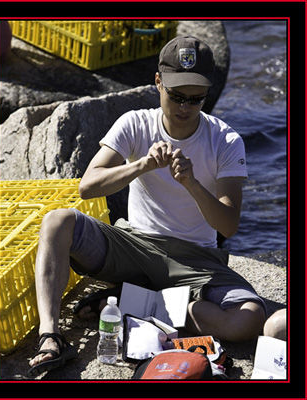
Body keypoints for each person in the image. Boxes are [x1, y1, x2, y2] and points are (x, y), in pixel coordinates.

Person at [28, 36, 266, 377]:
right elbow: (87, 187)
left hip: (194, 259)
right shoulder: (136, 122)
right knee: (57, 221)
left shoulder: (225, 140)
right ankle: (50, 336)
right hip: (134, 245)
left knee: (249, 320)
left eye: (196, 99)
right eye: (176, 95)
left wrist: (192, 184)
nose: (184, 107)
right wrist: (141, 165)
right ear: (158, 82)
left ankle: (141, 301)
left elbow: (228, 225)